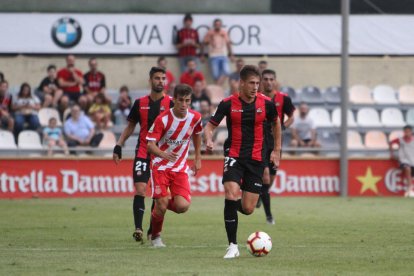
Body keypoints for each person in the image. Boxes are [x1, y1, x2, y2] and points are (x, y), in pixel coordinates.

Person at [204, 65, 282, 258]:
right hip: (234, 156)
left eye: (258, 83)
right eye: (252, 83)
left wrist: (277, 150)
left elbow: (276, 123)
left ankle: (230, 209)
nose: (256, 87)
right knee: (231, 193)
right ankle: (232, 246)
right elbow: (210, 126)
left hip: (256, 159)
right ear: (241, 83)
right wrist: (208, 138)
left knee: (247, 208)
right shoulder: (227, 103)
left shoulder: (266, 104)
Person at [112, 67, 174, 243]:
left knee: (158, 195)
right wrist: (119, 145)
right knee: (140, 189)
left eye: (163, 78)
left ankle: (151, 229)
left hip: (161, 155)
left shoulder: (171, 103)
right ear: (150, 80)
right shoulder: (139, 103)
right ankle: (138, 228)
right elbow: (130, 126)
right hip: (143, 152)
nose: (160, 81)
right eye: (157, 78)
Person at [146, 84, 202, 247]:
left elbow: (197, 134)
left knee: (182, 206)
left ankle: (158, 207)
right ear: (174, 100)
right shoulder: (163, 119)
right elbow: (150, 145)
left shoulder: (195, 117)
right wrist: (163, 154)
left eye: (187, 101)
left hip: (180, 168)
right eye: (181, 101)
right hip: (160, 167)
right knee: (162, 204)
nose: (184, 105)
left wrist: (198, 157)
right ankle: (156, 237)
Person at [257, 69, 295, 224]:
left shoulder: (283, 98)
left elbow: (292, 117)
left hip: (275, 143)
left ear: (275, 81)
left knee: (270, 180)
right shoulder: (257, 97)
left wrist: (282, 128)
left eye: (271, 79)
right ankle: (269, 216)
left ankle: (261, 195)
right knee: (265, 176)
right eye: (265, 79)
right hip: (260, 141)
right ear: (261, 81)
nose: (268, 82)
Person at [203, 18, 234, 86]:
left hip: (223, 55)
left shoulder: (224, 32)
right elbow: (204, 43)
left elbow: (228, 43)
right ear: (214, 25)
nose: (217, 25)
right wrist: (202, 55)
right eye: (216, 24)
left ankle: (216, 87)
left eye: (219, 24)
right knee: (215, 75)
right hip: (213, 56)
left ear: (221, 25)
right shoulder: (210, 33)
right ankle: (218, 90)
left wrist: (231, 54)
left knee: (227, 71)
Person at [389, 125, 414, 197]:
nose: (407, 133)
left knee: (410, 172)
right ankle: (409, 189)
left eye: (408, 131)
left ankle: (409, 190)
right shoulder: (400, 140)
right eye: (405, 132)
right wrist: (392, 154)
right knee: (407, 168)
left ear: (411, 132)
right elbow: (391, 143)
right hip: (404, 160)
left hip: (412, 160)